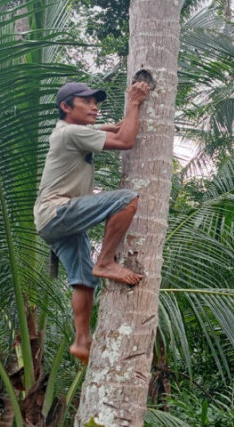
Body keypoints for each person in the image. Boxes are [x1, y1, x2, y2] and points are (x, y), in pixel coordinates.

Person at [34, 80, 149, 364]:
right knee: (127, 199)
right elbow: (125, 141)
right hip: (58, 211)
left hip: (54, 222)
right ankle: (106, 261)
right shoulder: (71, 133)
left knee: (84, 282)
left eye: (96, 102)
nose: (94, 106)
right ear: (65, 106)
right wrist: (134, 102)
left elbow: (113, 130)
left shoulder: (71, 132)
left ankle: (82, 341)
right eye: (86, 102)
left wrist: (118, 122)